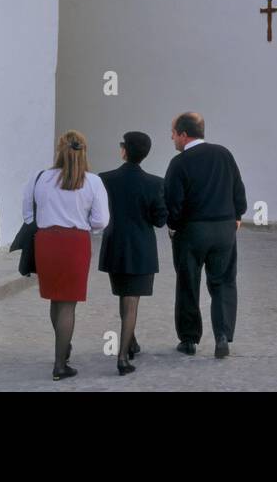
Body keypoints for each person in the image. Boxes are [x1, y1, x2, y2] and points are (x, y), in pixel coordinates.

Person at [23, 130, 109, 381]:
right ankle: (60, 363)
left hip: (47, 241)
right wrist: (86, 226)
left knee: (55, 298)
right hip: (75, 242)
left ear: (58, 150)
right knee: (68, 303)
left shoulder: (39, 177)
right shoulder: (92, 181)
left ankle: (63, 346)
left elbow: (28, 214)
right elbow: (101, 220)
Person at [163, 112, 247, 359]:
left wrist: (173, 225)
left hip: (192, 231)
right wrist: (237, 215)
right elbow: (237, 189)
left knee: (188, 282)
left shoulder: (179, 163)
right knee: (223, 282)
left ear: (183, 134)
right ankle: (222, 335)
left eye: (173, 133)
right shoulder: (224, 154)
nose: (172, 138)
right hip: (223, 229)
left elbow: (173, 201)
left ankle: (189, 339)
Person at [98, 131, 168, 376]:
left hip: (114, 245)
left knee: (123, 296)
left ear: (124, 151)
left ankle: (131, 343)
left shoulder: (105, 179)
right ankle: (122, 356)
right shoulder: (155, 183)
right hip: (140, 248)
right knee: (131, 302)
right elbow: (160, 220)